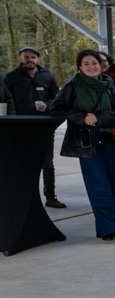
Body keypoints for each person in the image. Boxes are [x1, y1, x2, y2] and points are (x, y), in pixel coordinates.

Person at [50, 50, 115, 243]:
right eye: (86, 64)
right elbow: (57, 109)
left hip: (110, 139)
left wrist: (99, 118)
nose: (91, 67)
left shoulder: (108, 86)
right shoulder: (72, 86)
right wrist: (83, 118)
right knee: (99, 187)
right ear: (79, 66)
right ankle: (114, 229)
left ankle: (102, 228)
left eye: (94, 63)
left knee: (111, 187)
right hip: (87, 141)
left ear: (100, 64)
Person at [4, 46, 65, 208]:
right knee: (21, 163)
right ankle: (22, 197)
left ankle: (50, 196)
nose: (29, 60)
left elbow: (57, 99)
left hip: (44, 126)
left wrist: (48, 105)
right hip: (20, 127)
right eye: (26, 57)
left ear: (38, 59)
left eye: (32, 57)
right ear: (20, 59)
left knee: (47, 163)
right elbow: (5, 101)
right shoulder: (10, 77)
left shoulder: (48, 77)